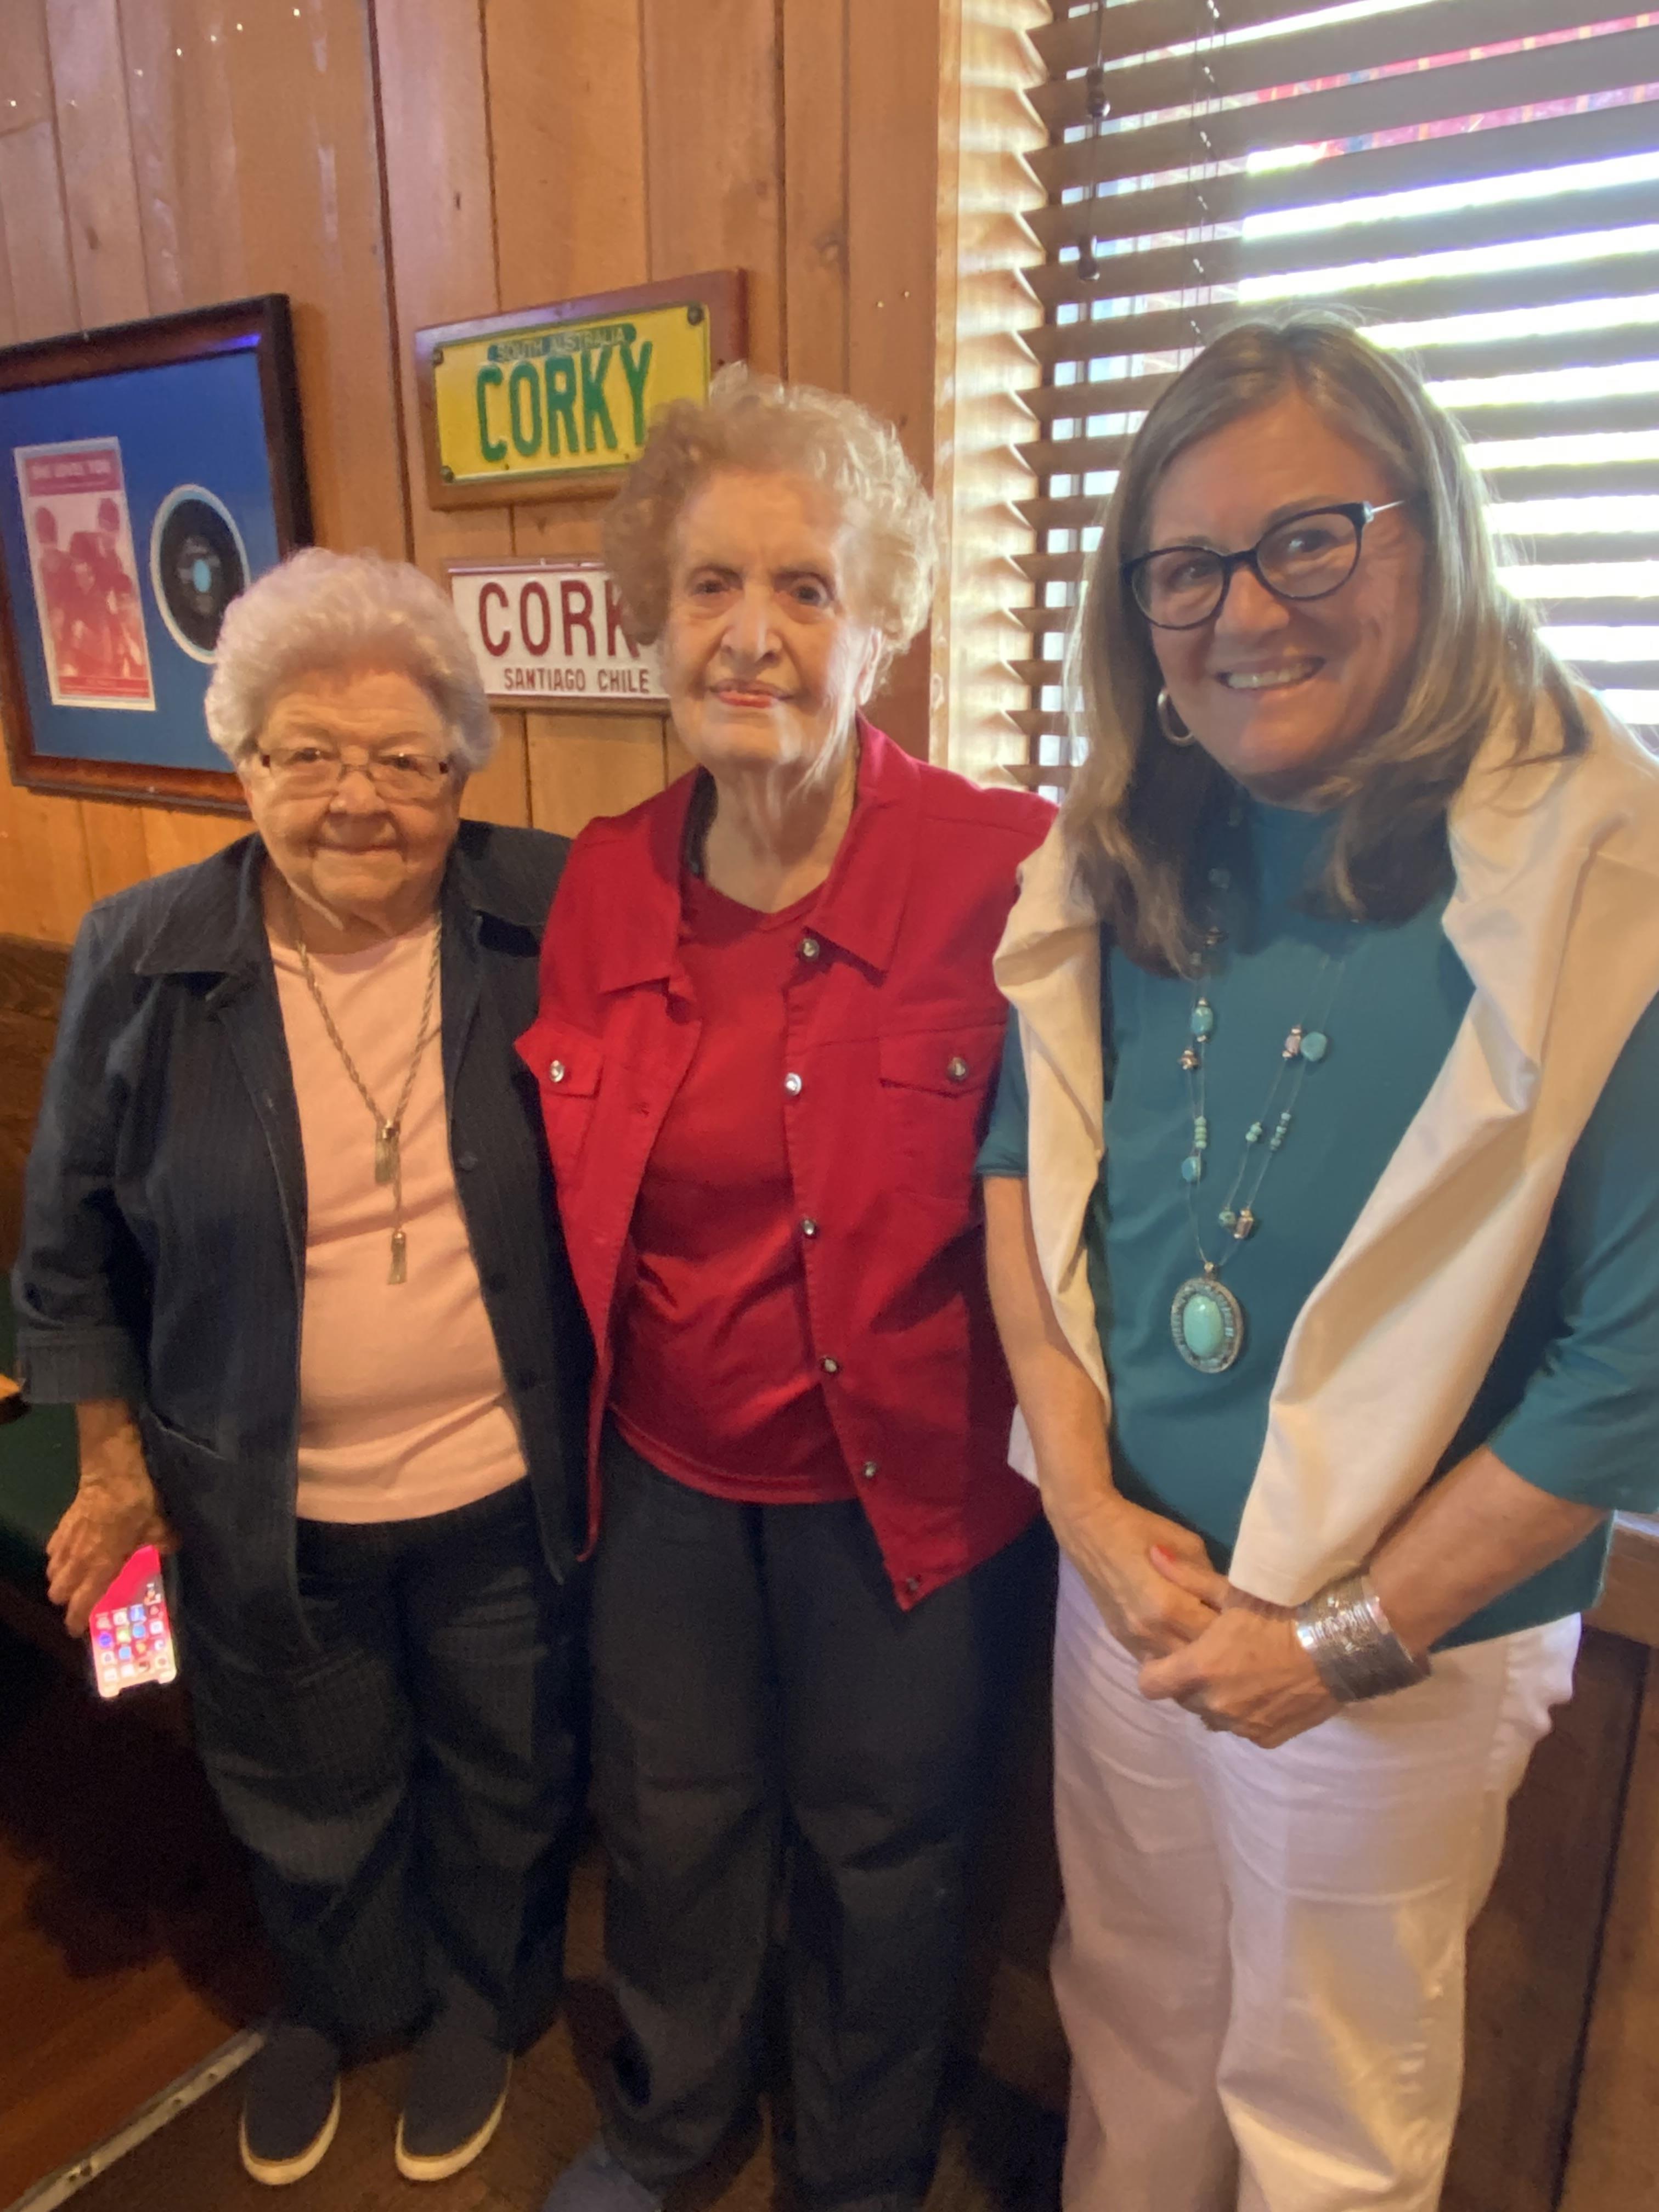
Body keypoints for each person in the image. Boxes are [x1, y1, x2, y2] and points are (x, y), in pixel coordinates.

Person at [978, 311, 1659, 2212]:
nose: (1245, 610)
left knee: (1329, 2111)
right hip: (1133, 1593)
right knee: (1129, 2012)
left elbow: (1634, 1366)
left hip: (1397, 1649)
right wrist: (1095, 1516)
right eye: (1184, 566)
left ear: (1430, 535)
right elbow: (1027, 1187)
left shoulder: (1606, 878)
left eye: (1309, 539)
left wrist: (1334, 1643)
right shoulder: (1128, 843)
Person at [526, 368, 1053, 2212]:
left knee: (887, 1854)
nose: (752, 634)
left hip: (907, 1489)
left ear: (884, 623)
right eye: (708, 588)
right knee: (670, 1837)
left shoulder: (1010, 866)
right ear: (648, 620)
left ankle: (859, 2172)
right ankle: (672, 2125)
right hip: (666, 1478)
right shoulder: (599, 886)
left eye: (808, 588)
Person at [13, 549, 592, 2189]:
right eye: (306, 753)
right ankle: (336, 2003)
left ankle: (486, 1999)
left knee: (505, 1764)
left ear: (463, 767)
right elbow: (66, 1246)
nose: (357, 798)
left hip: (504, 1481)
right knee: (298, 1775)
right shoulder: (144, 955)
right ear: (242, 765)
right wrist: (115, 1463)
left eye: (403, 758)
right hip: (262, 1492)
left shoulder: (545, 913)